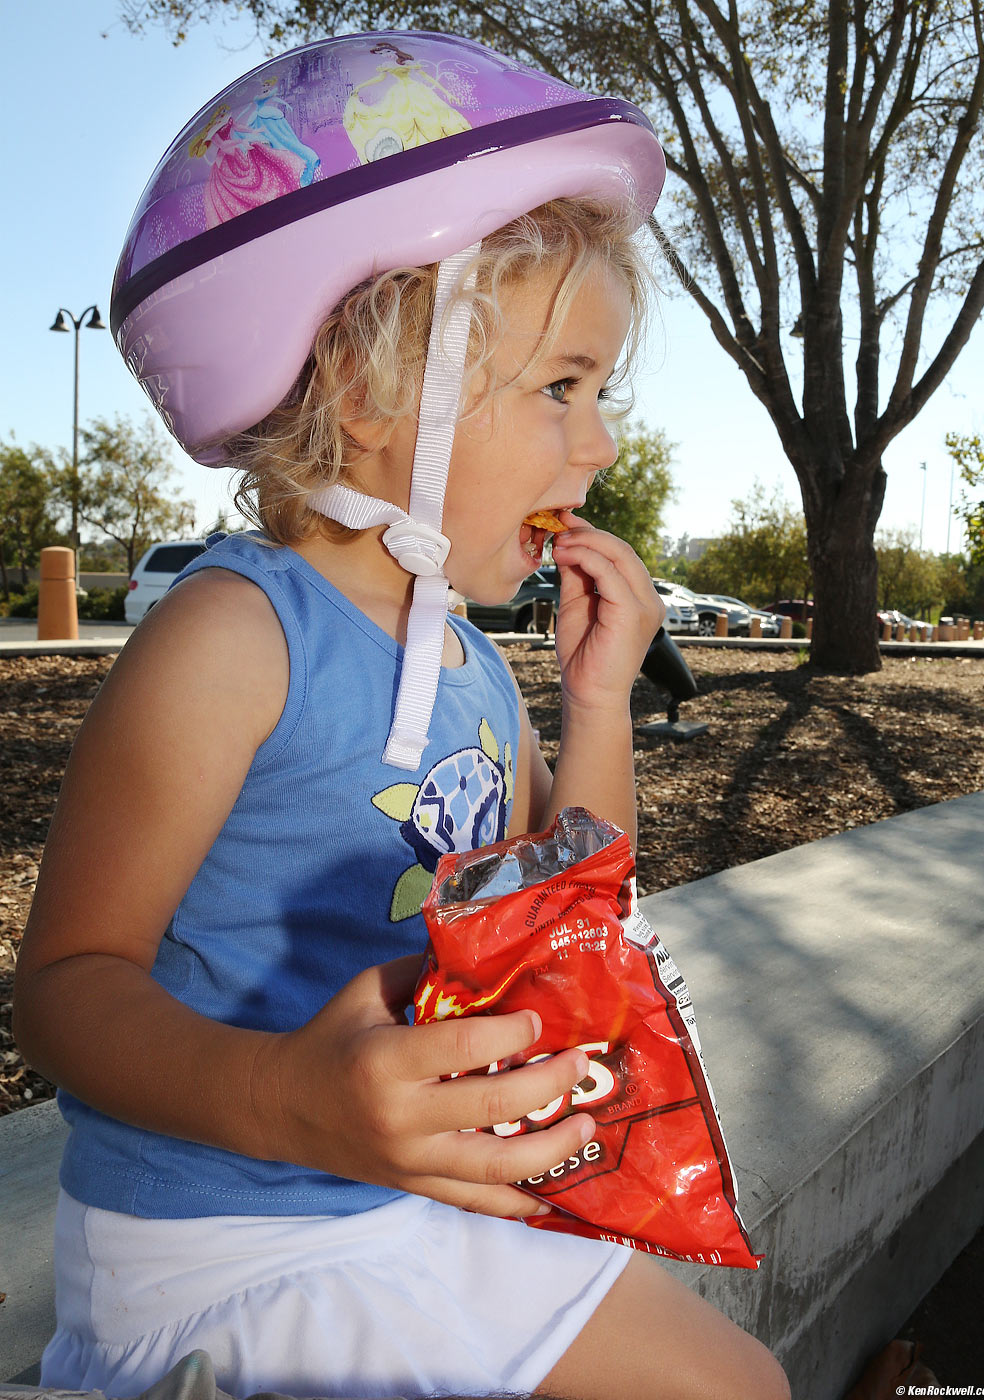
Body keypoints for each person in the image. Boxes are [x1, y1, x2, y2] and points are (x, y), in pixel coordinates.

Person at [14, 31, 789, 1400]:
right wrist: (291, 1101)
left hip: (408, 1193)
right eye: (561, 387)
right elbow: (65, 991)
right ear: (372, 395)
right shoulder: (234, 638)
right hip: (228, 1238)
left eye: (600, 392)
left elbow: (568, 911)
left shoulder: (471, 665)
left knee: (743, 1386)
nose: (602, 442)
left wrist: (597, 700)